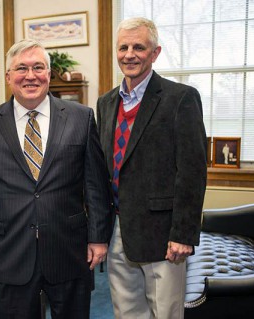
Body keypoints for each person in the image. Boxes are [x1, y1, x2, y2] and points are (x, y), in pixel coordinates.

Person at [0, 39, 113, 319]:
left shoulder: (81, 118)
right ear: (8, 76)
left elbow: (95, 185)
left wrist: (98, 238)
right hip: (8, 253)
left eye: (38, 67)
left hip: (68, 249)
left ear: (49, 74)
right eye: (21, 68)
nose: (30, 76)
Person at [96, 17, 207, 319]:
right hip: (118, 230)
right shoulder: (105, 103)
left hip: (163, 235)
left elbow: (192, 171)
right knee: (127, 312)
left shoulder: (180, 98)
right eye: (123, 47)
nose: (129, 54)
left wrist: (183, 234)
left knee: (165, 314)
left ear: (155, 53)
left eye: (138, 47)